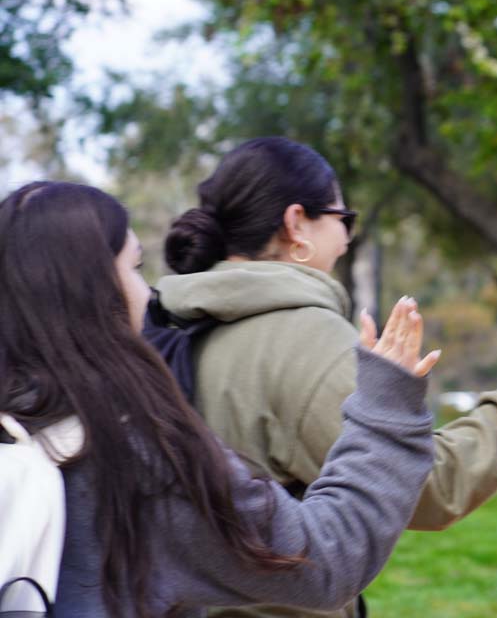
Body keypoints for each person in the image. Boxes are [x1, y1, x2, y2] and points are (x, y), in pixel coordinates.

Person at [154, 136, 497, 618]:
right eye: (343, 220)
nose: (347, 239)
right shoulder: (299, 338)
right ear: (296, 223)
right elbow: (430, 485)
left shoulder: (168, 323)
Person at [0, 181, 437, 617]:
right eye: (134, 267)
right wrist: (385, 405)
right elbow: (324, 561)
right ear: (95, 292)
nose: (144, 291)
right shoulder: (139, 463)